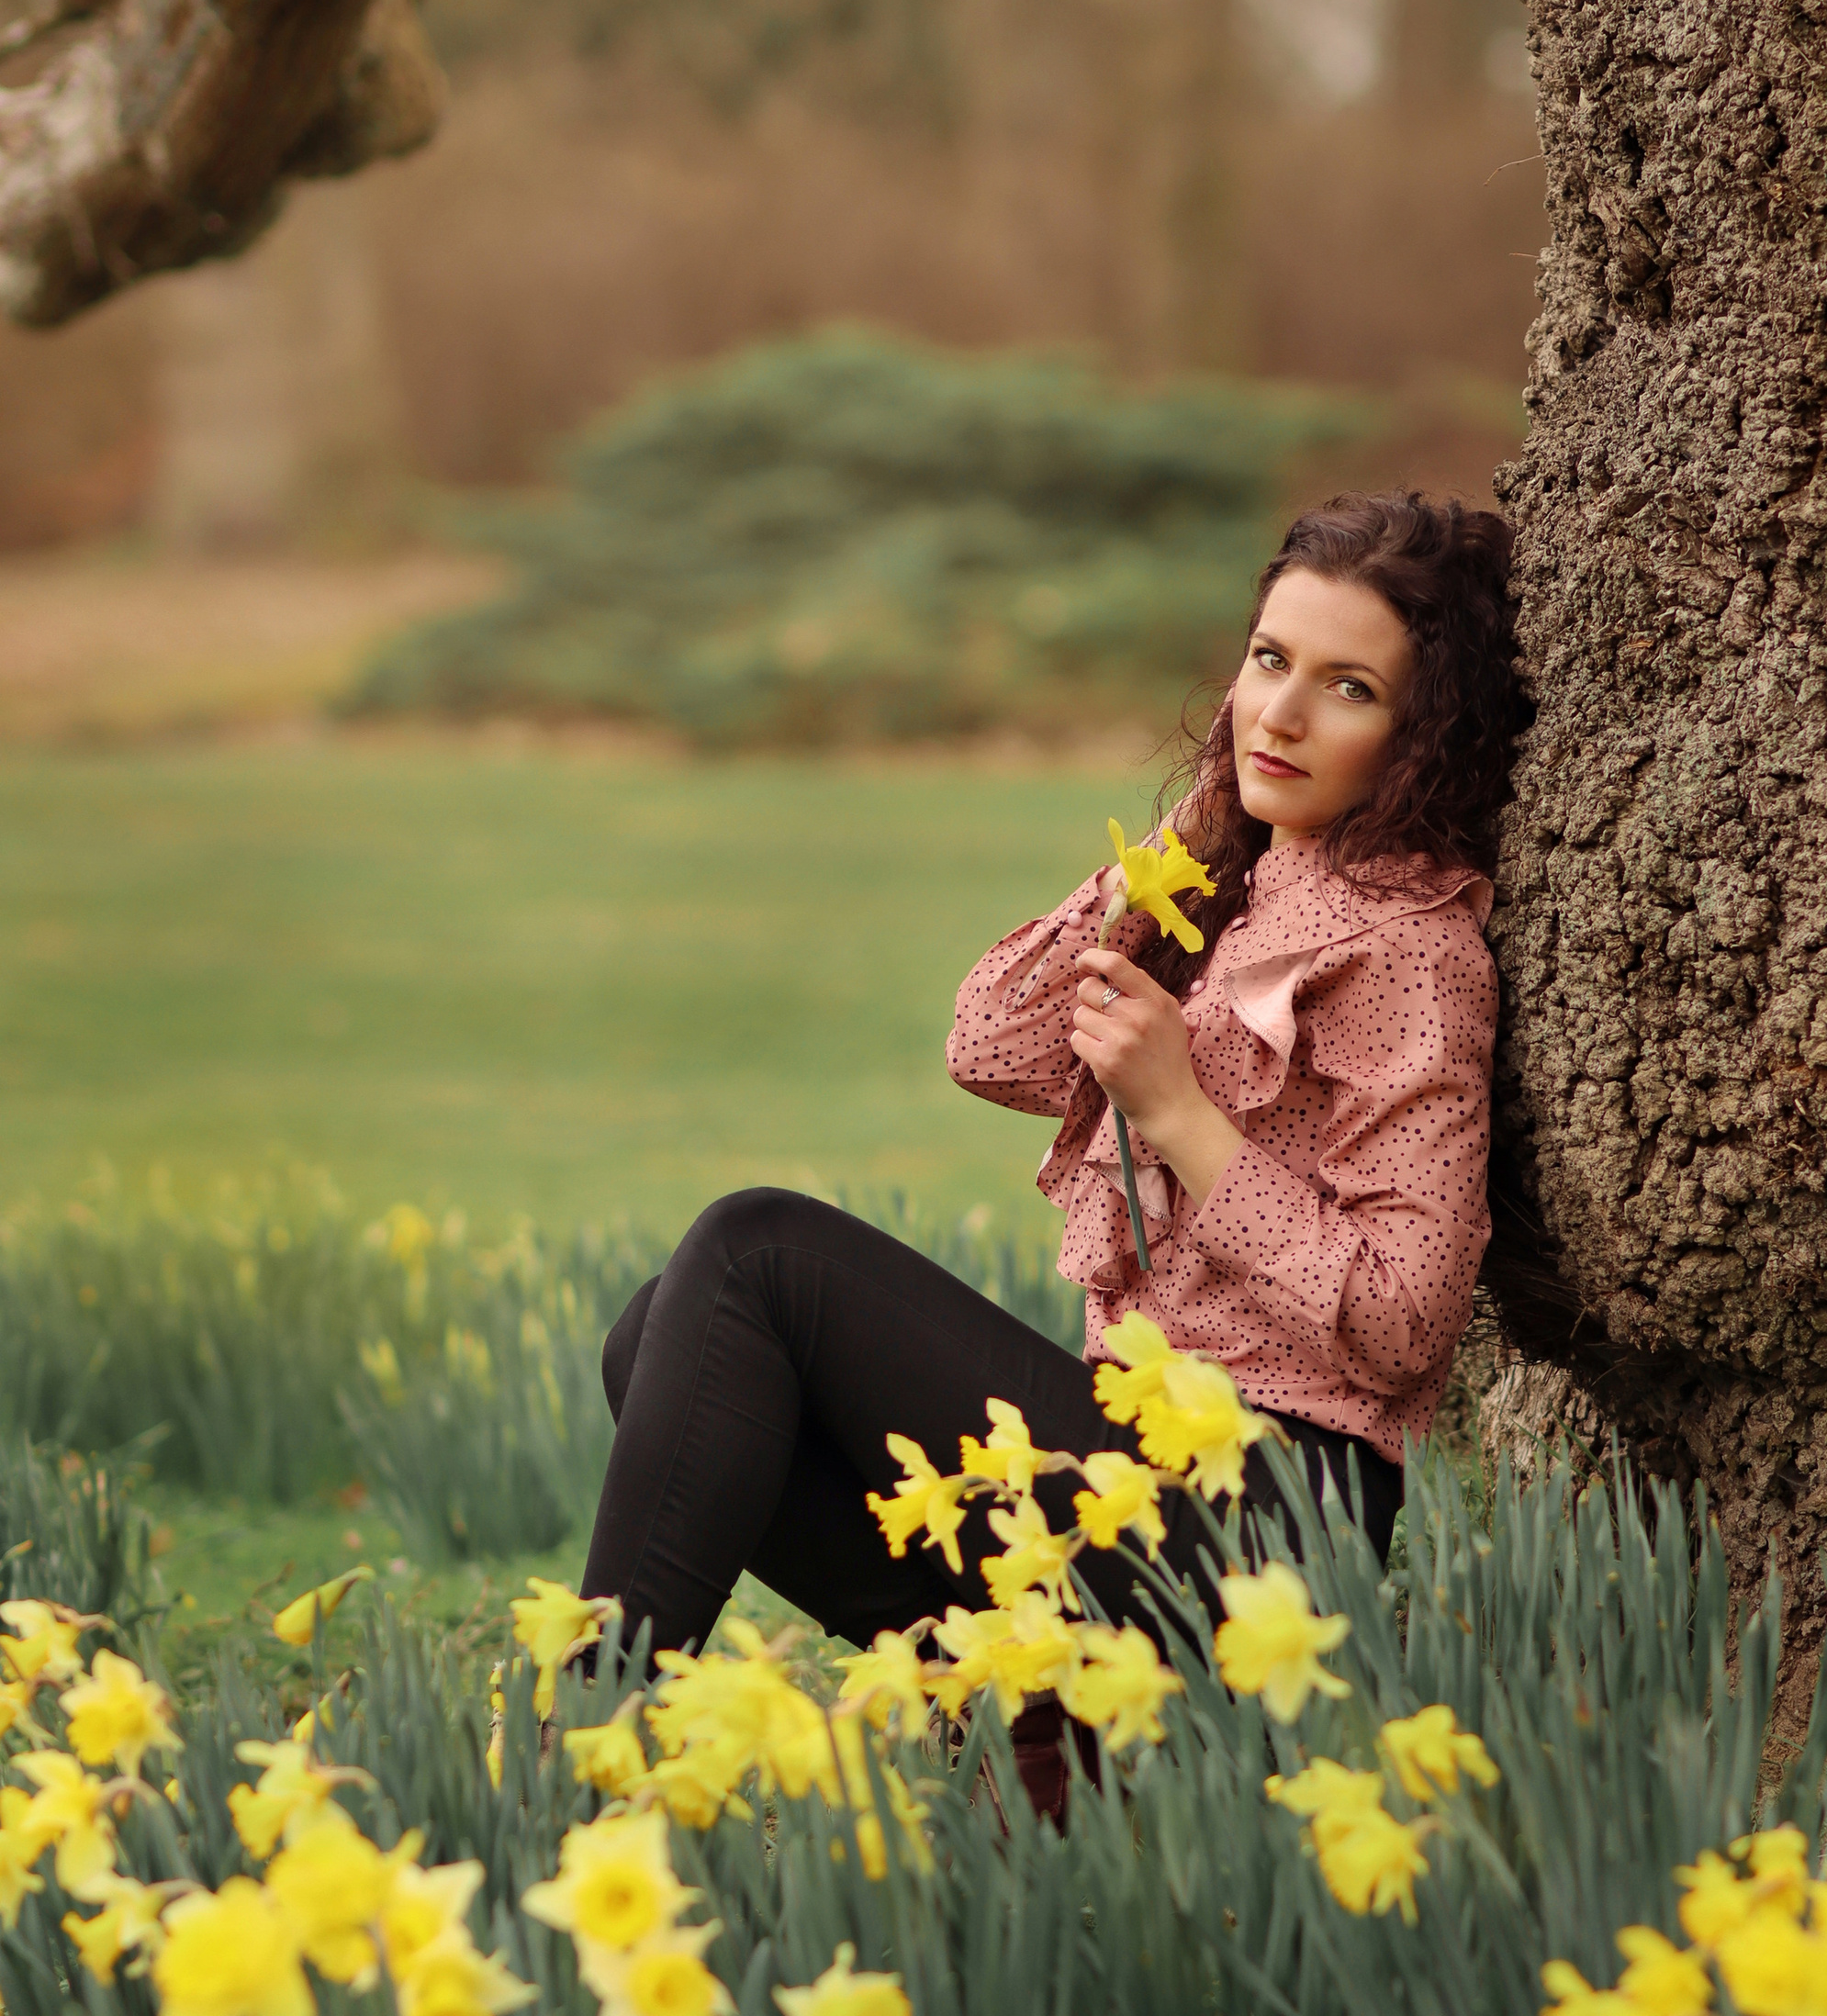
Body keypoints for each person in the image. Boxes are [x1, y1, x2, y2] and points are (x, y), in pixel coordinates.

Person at [578, 488, 1519, 1800]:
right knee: (658, 1330)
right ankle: (1041, 1735)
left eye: (1347, 687)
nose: (1281, 715)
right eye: (1268, 661)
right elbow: (992, 1042)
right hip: (1131, 1477)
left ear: (1425, 735)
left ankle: (580, 1758)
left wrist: (1182, 1115)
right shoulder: (1234, 883)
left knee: (752, 1255)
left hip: (1265, 1521)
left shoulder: (1414, 950)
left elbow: (1407, 1319)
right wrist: (1186, 847)